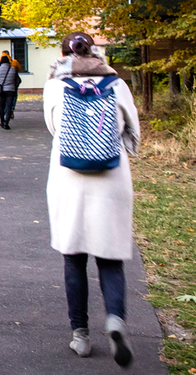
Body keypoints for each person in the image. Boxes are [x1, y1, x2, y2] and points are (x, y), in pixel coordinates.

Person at [44, 32, 139, 368]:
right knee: (110, 258)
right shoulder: (117, 85)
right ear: (95, 53)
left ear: (64, 55)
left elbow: (54, 128)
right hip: (111, 178)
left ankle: (80, 335)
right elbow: (134, 134)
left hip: (68, 178)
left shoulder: (55, 86)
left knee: (73, 258)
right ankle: (115, 320)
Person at [0, 55, 20, 129]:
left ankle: (2, 122)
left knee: (1, 107)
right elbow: (18, 80)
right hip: (11, 90)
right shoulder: (13, 69)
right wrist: (14, 86)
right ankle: (6, 123)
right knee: (9, 107)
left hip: (1, 91)